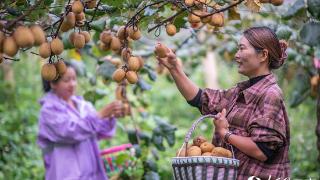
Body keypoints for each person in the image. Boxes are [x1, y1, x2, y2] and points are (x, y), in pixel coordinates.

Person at [157, 26, 290, 179]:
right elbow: (200, 99)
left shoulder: (270, 94)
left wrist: (225, 134)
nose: (236, 55)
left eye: (242, 49)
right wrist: (175, 69)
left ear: (263, 55)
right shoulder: (239, 91)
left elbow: (262, 151)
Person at [37, 61, 124, 180]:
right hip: (66, 174)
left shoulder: (82, 105)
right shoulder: (48, 110)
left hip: (91, 173)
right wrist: (99, 115)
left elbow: (100, 131)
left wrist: (110, 116)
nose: (72, 84)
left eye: (74, 79)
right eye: (67, 80)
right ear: (53, 83)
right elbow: (70, 131)